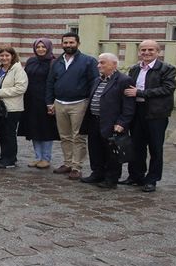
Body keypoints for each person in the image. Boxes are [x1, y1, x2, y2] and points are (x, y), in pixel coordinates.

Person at [122, 40, 176, 192]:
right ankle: (135, 176)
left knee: (155, 148)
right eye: (143, 50)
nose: (146, 52)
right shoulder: (134, 69)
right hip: (137, 111)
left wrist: (140, 93)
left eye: (150, 50)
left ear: (158, 52)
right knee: (136, 146)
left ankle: (152, 179)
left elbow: (167, 89)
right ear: (139, 52)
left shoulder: (167, 69)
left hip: (156, 113)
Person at [45, 32, 99, 180]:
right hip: (60, 103)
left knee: (79, 137)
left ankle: (76, 166)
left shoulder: (88, 61)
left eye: (71, 43)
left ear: (78, 43)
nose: (68, 45)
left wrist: (89, 103)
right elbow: (50, 82)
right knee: (65, 136)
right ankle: (67, 162)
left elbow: (94, 82)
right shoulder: (56, 62)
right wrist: (50, 102)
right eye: (66, 43)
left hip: (79, 103)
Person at [77, 53, 135, 188]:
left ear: (114, 64)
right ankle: (97, 173)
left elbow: (129, 105)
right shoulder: (98, 80)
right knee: (95, 149)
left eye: (102, 63)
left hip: (112, 123)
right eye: (99, 63)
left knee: (111, 152)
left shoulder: (124, 80)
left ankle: (111, 178)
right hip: (94, 120)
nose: (99, 66)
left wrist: (122, 123)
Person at [18, 38, 60, 169]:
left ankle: (46, 158)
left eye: (43, 47)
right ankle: (38, 157)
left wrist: (52, 101)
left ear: (49, 48)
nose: (41, 49)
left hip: (45, 101)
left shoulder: (54, 62)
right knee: (33, 129)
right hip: (31, 100)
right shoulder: (31, 61)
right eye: (38, 47)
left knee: (46, 130)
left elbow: (55, 82)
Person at [0, 46, 29, 169]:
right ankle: (3, 156)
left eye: (7, 55)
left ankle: (10, 159)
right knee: (1, 132)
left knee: (9, 133)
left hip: (12, 108)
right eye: (1, 55)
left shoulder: (18, 70)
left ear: (12, 56)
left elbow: (20, 88)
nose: (4, 58)